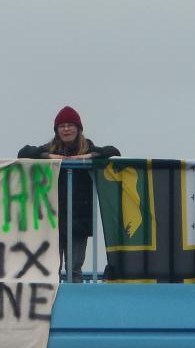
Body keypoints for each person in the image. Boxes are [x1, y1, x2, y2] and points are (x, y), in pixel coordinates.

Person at [18, 106, 120, 282]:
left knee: (74, 268)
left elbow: (113, 151)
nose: (66, 129)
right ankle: (54, 307)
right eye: (62, 126)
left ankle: (75, 306)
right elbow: (23, 153)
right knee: (51, 269)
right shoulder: (50, 147)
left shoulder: (87, 146)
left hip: (79, 219)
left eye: (70, 125)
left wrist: (88, 156)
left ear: (78, 128)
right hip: (54, 218)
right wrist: (50, 157)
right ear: (57, 130)